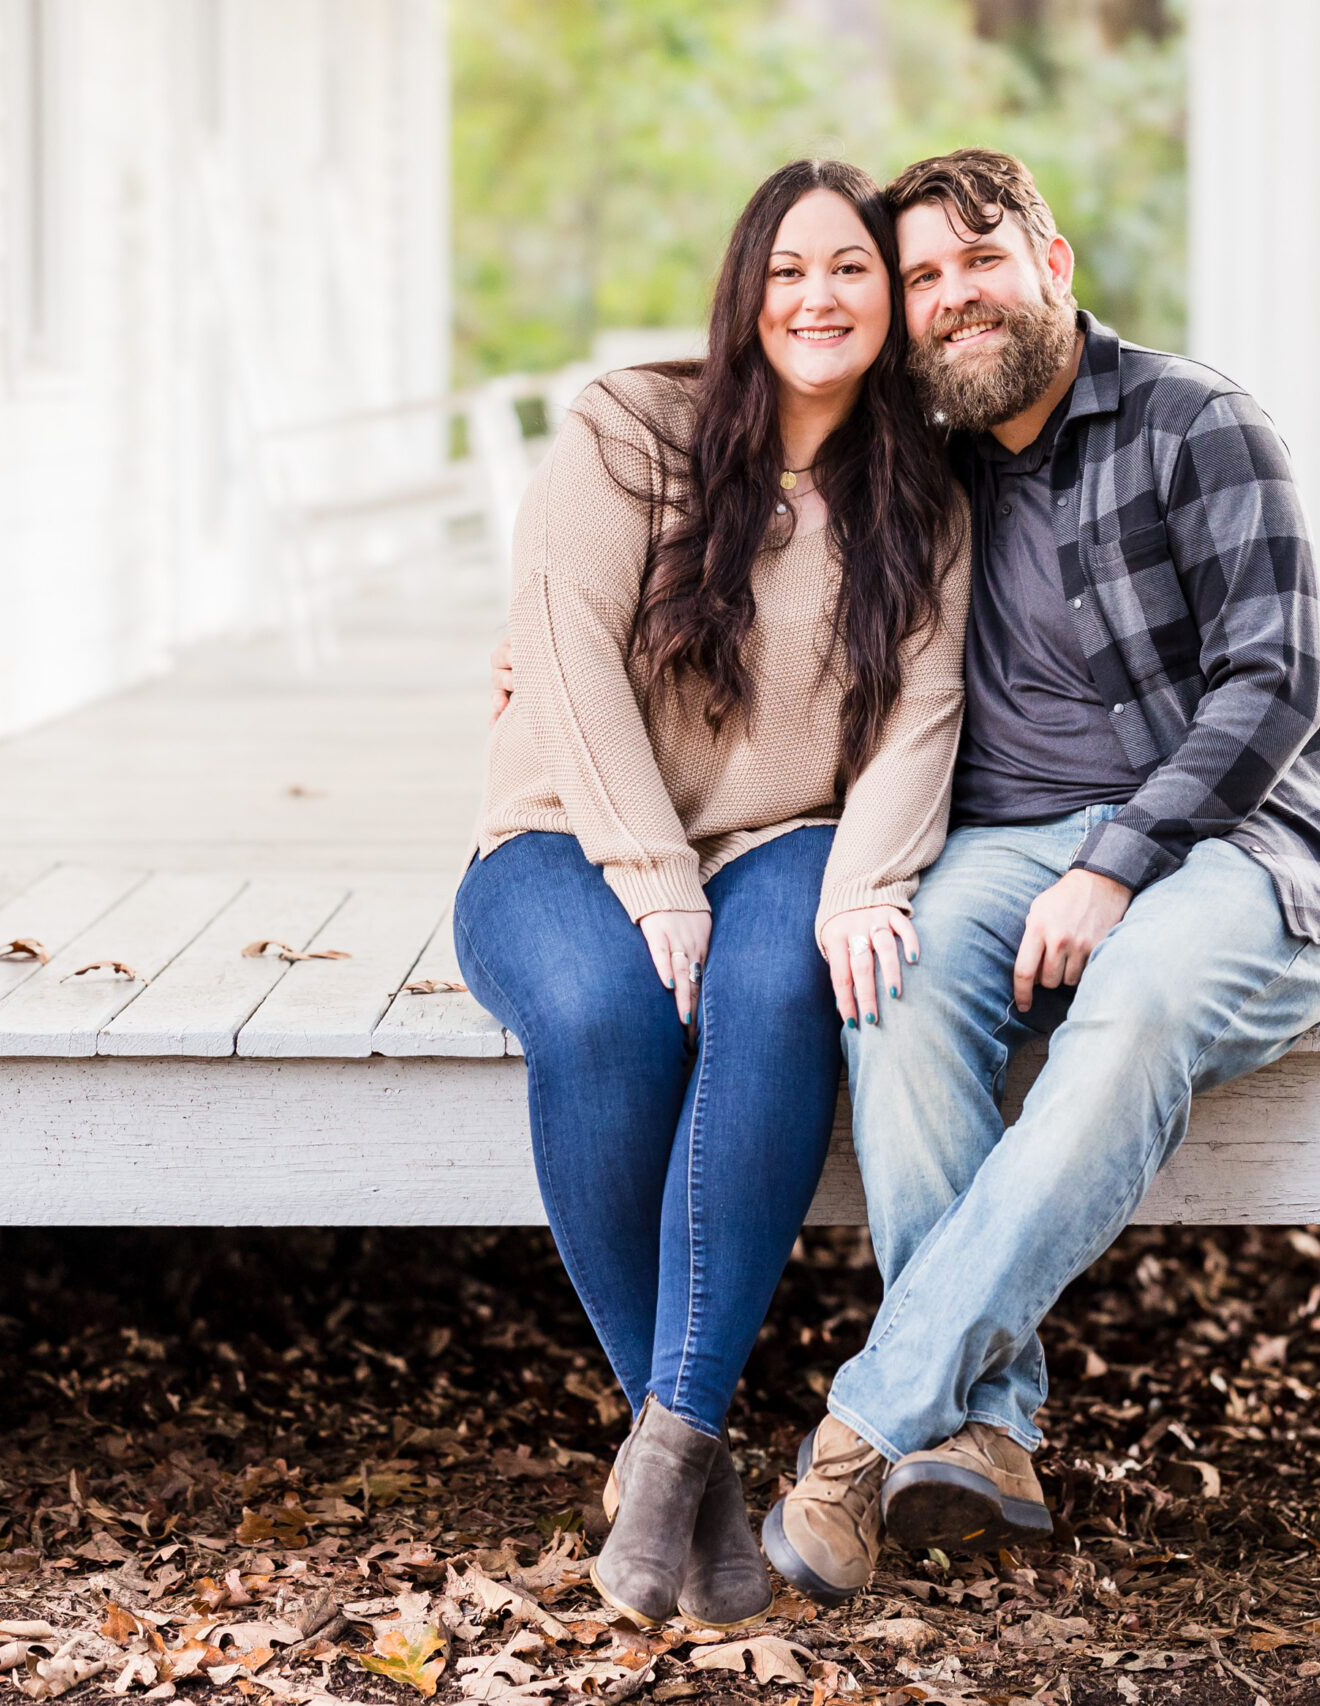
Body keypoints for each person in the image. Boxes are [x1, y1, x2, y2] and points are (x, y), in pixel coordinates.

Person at [753, 148, 1320, 1603]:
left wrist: (1119, 864)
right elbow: (752, 501)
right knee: (894, 983)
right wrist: (557, 650)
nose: (952, 296)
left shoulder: (1198, 422)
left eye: (980, 258)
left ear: (1052, 263)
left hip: (1243, 832)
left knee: (1140, 1000)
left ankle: (866, 1427)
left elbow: (1274, 679)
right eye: (922, 277)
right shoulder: (929, 461)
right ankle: (989, 1428)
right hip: (1012, 839)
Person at [453, 158, 971, 1632]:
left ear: (888, 305)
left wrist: (869, 878)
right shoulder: (631, 433)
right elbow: (557, 658)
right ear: (746, 289)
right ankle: (699, 1451)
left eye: (852, 270)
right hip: (562, 831)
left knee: (775, 985)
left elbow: (926, 709)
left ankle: (664, 1452)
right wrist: (651, 875)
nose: (819, 295)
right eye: (790, 267)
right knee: (608, 1016)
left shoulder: (922, 498)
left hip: (783, 837)